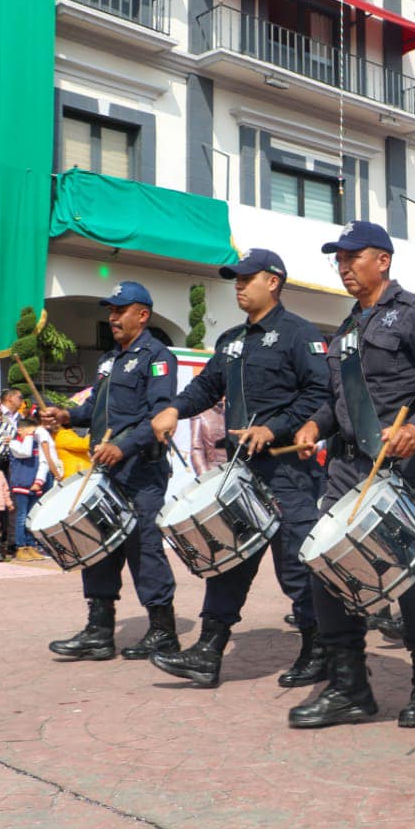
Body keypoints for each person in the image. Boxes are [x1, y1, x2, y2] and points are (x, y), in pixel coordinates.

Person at [285, 221, 415, 729]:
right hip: (346, 469)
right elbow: (333, 401)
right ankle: (350, 689)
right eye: (338, 259)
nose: (342, 267)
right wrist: (312, 425)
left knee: (414, 579)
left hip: (404, 467)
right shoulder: (344, 329)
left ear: (382, 260)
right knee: (328, 567)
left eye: (351, 257)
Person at [149, 250, 329, 689]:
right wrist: (174, 408)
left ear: (273, 281)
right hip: (241, 471)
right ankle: (208, 653)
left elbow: (320, 394)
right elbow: (207, 386)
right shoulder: (230, 340)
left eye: (247, 278)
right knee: (229, 561)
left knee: (296, 566)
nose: (239, 285)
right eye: (236, 279)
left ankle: (318, 649)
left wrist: (277, 428)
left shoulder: (298, 334)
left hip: (288, 472)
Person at [43, 282, 180, 661]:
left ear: (143, 314)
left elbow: (158, 416)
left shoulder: (158, 356)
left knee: (144, 548)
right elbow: (96, 411)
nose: (112, 317)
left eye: (120, 310)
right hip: (107, 474)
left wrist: (123, 446)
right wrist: (67, 414)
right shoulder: (108, 360)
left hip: (141, 471)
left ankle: (162, 631)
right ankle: (99, 632)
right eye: (111, 311)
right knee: (96, 547)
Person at [7, 417, 51, 562]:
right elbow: (25, 452)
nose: (33, 434)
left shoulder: (36, 443)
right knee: (21, 517)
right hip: (21, 485)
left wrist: (39, 481)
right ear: (20, 430)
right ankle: (21, 547)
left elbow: (43, 462)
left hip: (34, 485)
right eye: (30, 431)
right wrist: (28, 436)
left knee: (32, 517)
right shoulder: (14, 443)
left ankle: (31, 545)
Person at [189, 399, 227, 475]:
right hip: (215, 472)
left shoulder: (234, 409)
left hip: (236, 467)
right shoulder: (200, 414)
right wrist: (206, 477)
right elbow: (197, 449)